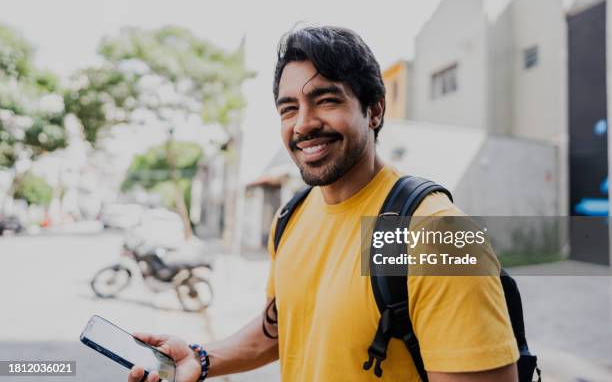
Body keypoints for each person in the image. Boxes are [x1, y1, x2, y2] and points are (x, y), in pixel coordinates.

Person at [128, 26, 519, 382]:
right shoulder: (291, 217)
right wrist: (200, 357)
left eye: (326, 100)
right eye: (289, 108)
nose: (303, 124)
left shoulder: (437, 236)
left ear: (375, 110)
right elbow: (284, 327)